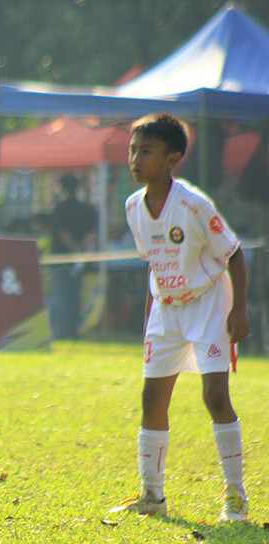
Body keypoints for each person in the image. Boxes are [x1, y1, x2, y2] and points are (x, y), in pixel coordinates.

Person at [110, 113, 250, 523]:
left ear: (172, 159)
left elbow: (235, 253)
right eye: (133, 150)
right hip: (166, 310)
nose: (136, 159)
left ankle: (236, 496)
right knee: (151, 398)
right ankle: (152, 495)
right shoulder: (134, 206)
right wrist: (152, 314)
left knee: (215, 396)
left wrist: (239, 308)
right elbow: (154, 263)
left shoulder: (192, 203)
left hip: (208, 306)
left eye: (146, 151)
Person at [48, 173, 97, 339]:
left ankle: (62, 333)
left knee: (62, 298)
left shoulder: (59, 209)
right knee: (75, 298)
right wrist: (80, 250)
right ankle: (74, 332)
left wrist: (73, 249)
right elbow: (92, 234)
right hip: (80, 261)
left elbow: (61, 232)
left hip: (61, 258)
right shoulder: (87, 209)